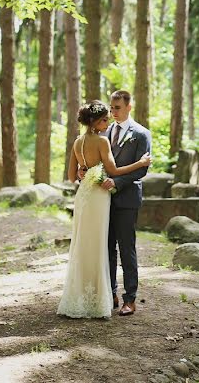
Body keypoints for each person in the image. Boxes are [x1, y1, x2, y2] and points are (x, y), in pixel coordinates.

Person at [57, 100, 151, 319]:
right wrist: (141, 163)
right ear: (95, 122)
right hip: (100, 198)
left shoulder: (77, 142)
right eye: (104, 119)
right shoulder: (102, 141)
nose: (108, 121)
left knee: (86, 245)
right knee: (101, 246)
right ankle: (103, 295)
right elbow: (114, 170)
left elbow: (72, 177)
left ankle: (88, 295)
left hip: (84, 197)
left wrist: (84, 172)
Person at [103, 90, 152, 316]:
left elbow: (142, 169)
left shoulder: (141, 134)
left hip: (127, 199)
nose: (113, 112)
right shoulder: (106, 131)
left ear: (129, 107)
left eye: (117, 108)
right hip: (103, 201)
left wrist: (116, 183)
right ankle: (110, 292)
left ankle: (130, 299)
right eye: (111, 108)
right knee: (107, 249)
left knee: (126, 249)